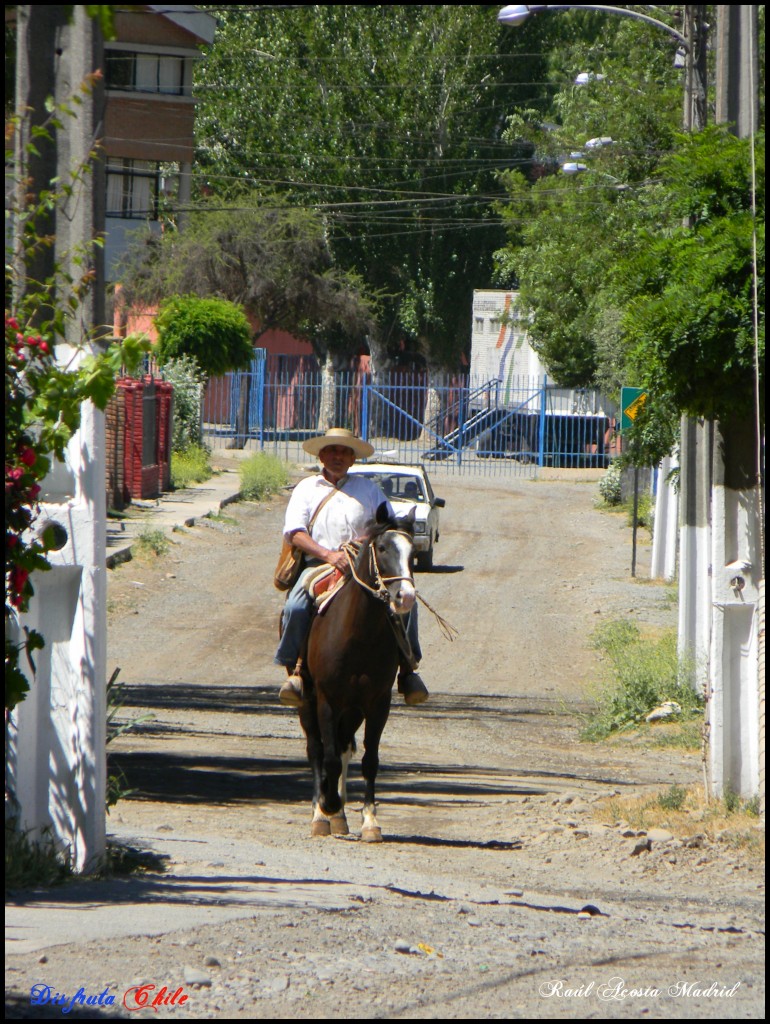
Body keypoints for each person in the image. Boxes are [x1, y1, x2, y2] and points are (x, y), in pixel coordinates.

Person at [275, 427, 429, 708]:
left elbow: (389, 527)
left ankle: (408, 670)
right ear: (322, 455)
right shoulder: (306, 489)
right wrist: (329, 555)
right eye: (332, 451)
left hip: (363, 567)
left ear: (353, 458)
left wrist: (363, 541)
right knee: (296, 605)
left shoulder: (369, 490)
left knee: (406, 603)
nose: (338, 456)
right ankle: (295, 670)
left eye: (345, 452)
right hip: (318, 564)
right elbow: (294, 532)